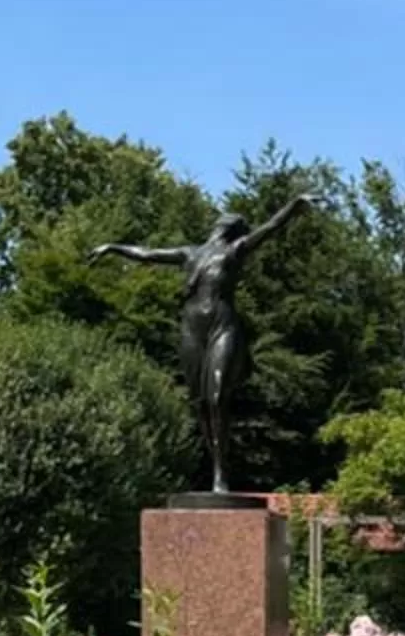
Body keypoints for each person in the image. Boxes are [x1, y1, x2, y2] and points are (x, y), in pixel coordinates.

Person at [94, 194, 313, 494]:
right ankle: (215, 467)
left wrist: (294, 205)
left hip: (222, 325)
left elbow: (271, 227)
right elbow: (147, 254)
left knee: (218, 396)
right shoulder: (190, 253)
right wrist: (112, 247)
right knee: (200, 403)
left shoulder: (235, 249)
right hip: (192, 327)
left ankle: (221, 475)